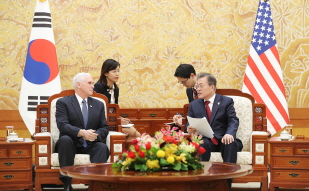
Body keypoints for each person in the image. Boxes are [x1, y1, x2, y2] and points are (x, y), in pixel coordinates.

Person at [185, 72, 243, 188]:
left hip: (224, 139)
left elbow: (233, 120)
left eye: (201, 85)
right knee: (201, 144)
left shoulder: (226, 101)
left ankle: (226, 185)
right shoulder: (194, 104)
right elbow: (189, 122)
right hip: (206, 140)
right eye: (197, 86)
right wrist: (189, 128)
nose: (198, 89)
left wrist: (229, 134)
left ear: (212, 87)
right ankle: (202, 185)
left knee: (230, 143)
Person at [55, 73, 110, 191]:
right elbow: (62, 125)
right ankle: (67, 183)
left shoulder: (98, 104)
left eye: (92, 83)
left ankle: (95, 184)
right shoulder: (63, 102)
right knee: (64, 139)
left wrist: (94, 136)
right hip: (71, 143)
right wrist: (81, 132)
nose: (93, 86)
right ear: (78, 85)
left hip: (90, 143)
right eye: (89, 83)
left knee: (102, 147)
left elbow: (104, 127)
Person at [94, 59, 140, 137]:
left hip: (112, 121)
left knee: (136, 133)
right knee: (134, 133)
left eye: (118, 71)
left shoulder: (115, 89)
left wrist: (120, 118)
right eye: (114, 71)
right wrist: (118, 121)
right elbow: (97, 112)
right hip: (102, 124)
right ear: (105, 73)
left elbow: (114, 110)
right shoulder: (98, 87)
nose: (117, 74)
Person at [172, 63, 197, 127]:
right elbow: (192, 110)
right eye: (181, 82)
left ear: (192, 76)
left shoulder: (204, 88)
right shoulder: (189, 90)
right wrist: (182, 117)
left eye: (184, 81)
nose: (183, 85)